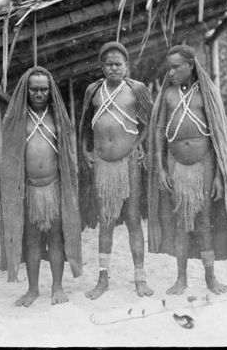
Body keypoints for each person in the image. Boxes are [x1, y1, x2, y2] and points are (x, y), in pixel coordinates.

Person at [148, 44, 227, 295]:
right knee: (182, 222)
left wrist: (218, 177)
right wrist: (159, 166)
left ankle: (210, 279)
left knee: (203, 223)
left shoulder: (207, 93)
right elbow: (158, 130)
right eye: (169, 68)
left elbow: (217, 139)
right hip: (175, 165)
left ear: (190, 65)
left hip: (204, 165)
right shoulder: (167, 94)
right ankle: (181, 279)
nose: (171, 72)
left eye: (176, 67)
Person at [0, 66, 82, 307]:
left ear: (50, 90)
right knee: (32, 241)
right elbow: (10, 159)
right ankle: (33, 289)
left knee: (56, 239)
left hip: (54, 189)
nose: (38, 93)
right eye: (34, 89)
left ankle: (57, 286)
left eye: (43, 89)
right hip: (29, 190)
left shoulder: (58, 116)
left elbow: (67, 155)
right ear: (26, 91)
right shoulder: (15, 119)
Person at [79, 41, 154, 299]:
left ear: (126, 67)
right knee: (106, 221)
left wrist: (139, 144)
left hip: (128, 163)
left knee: (133, 219)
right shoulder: (94, 90)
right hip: (102, 164)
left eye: (118, 64)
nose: (113, 68)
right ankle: (102, 279)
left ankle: (140, 278)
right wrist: (85, 149)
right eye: (108, 64)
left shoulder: (137, 89)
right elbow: (85, 125)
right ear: (102, 67)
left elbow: (153, 120)